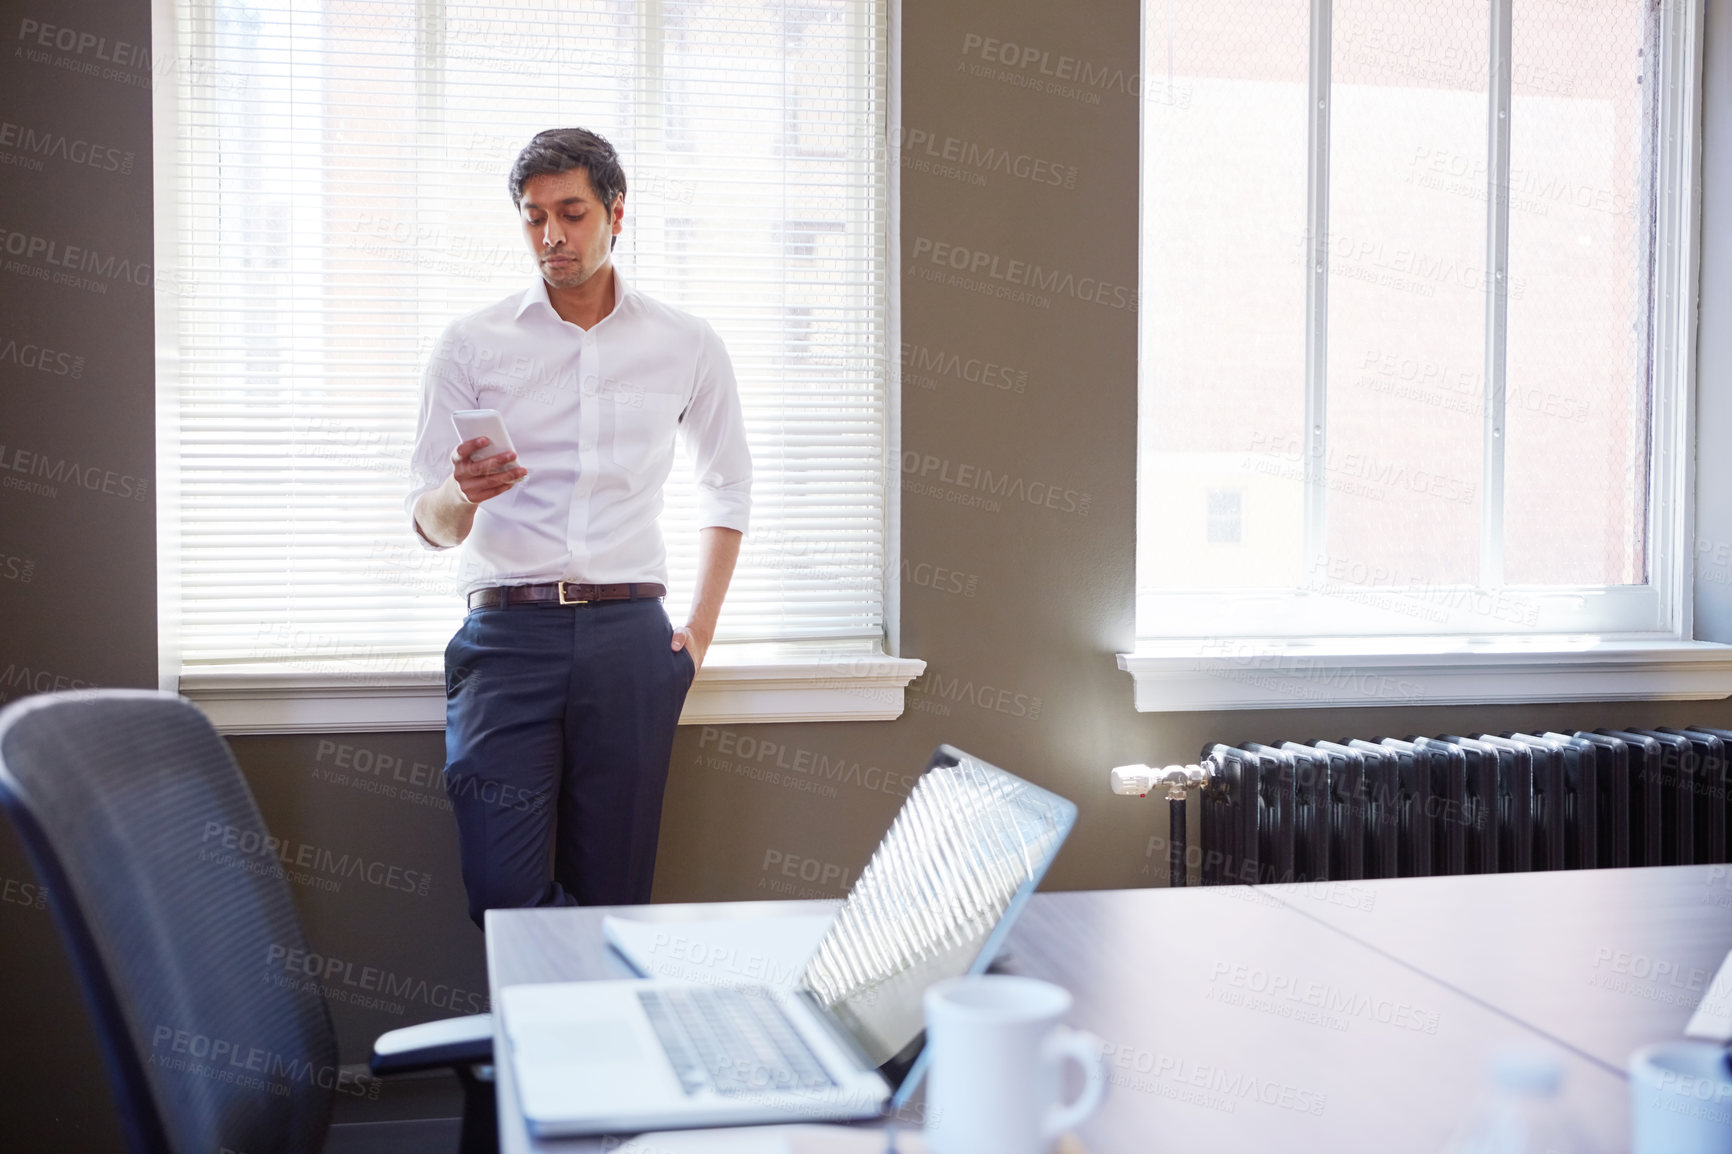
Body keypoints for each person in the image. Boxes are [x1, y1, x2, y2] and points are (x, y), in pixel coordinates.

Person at [405, 128, 751, 926]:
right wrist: (463, 494)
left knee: (615, 902)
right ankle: (552, 1031)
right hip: (506, 639)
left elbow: (728, 486)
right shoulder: (470, 343)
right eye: (534, 218)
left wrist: (695, 635)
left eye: (571, 213)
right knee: (503, 896)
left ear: (615, 213)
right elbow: (429, 522)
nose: (551, 236)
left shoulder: (687, 342)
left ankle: (591, 1049)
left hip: (632, 638)